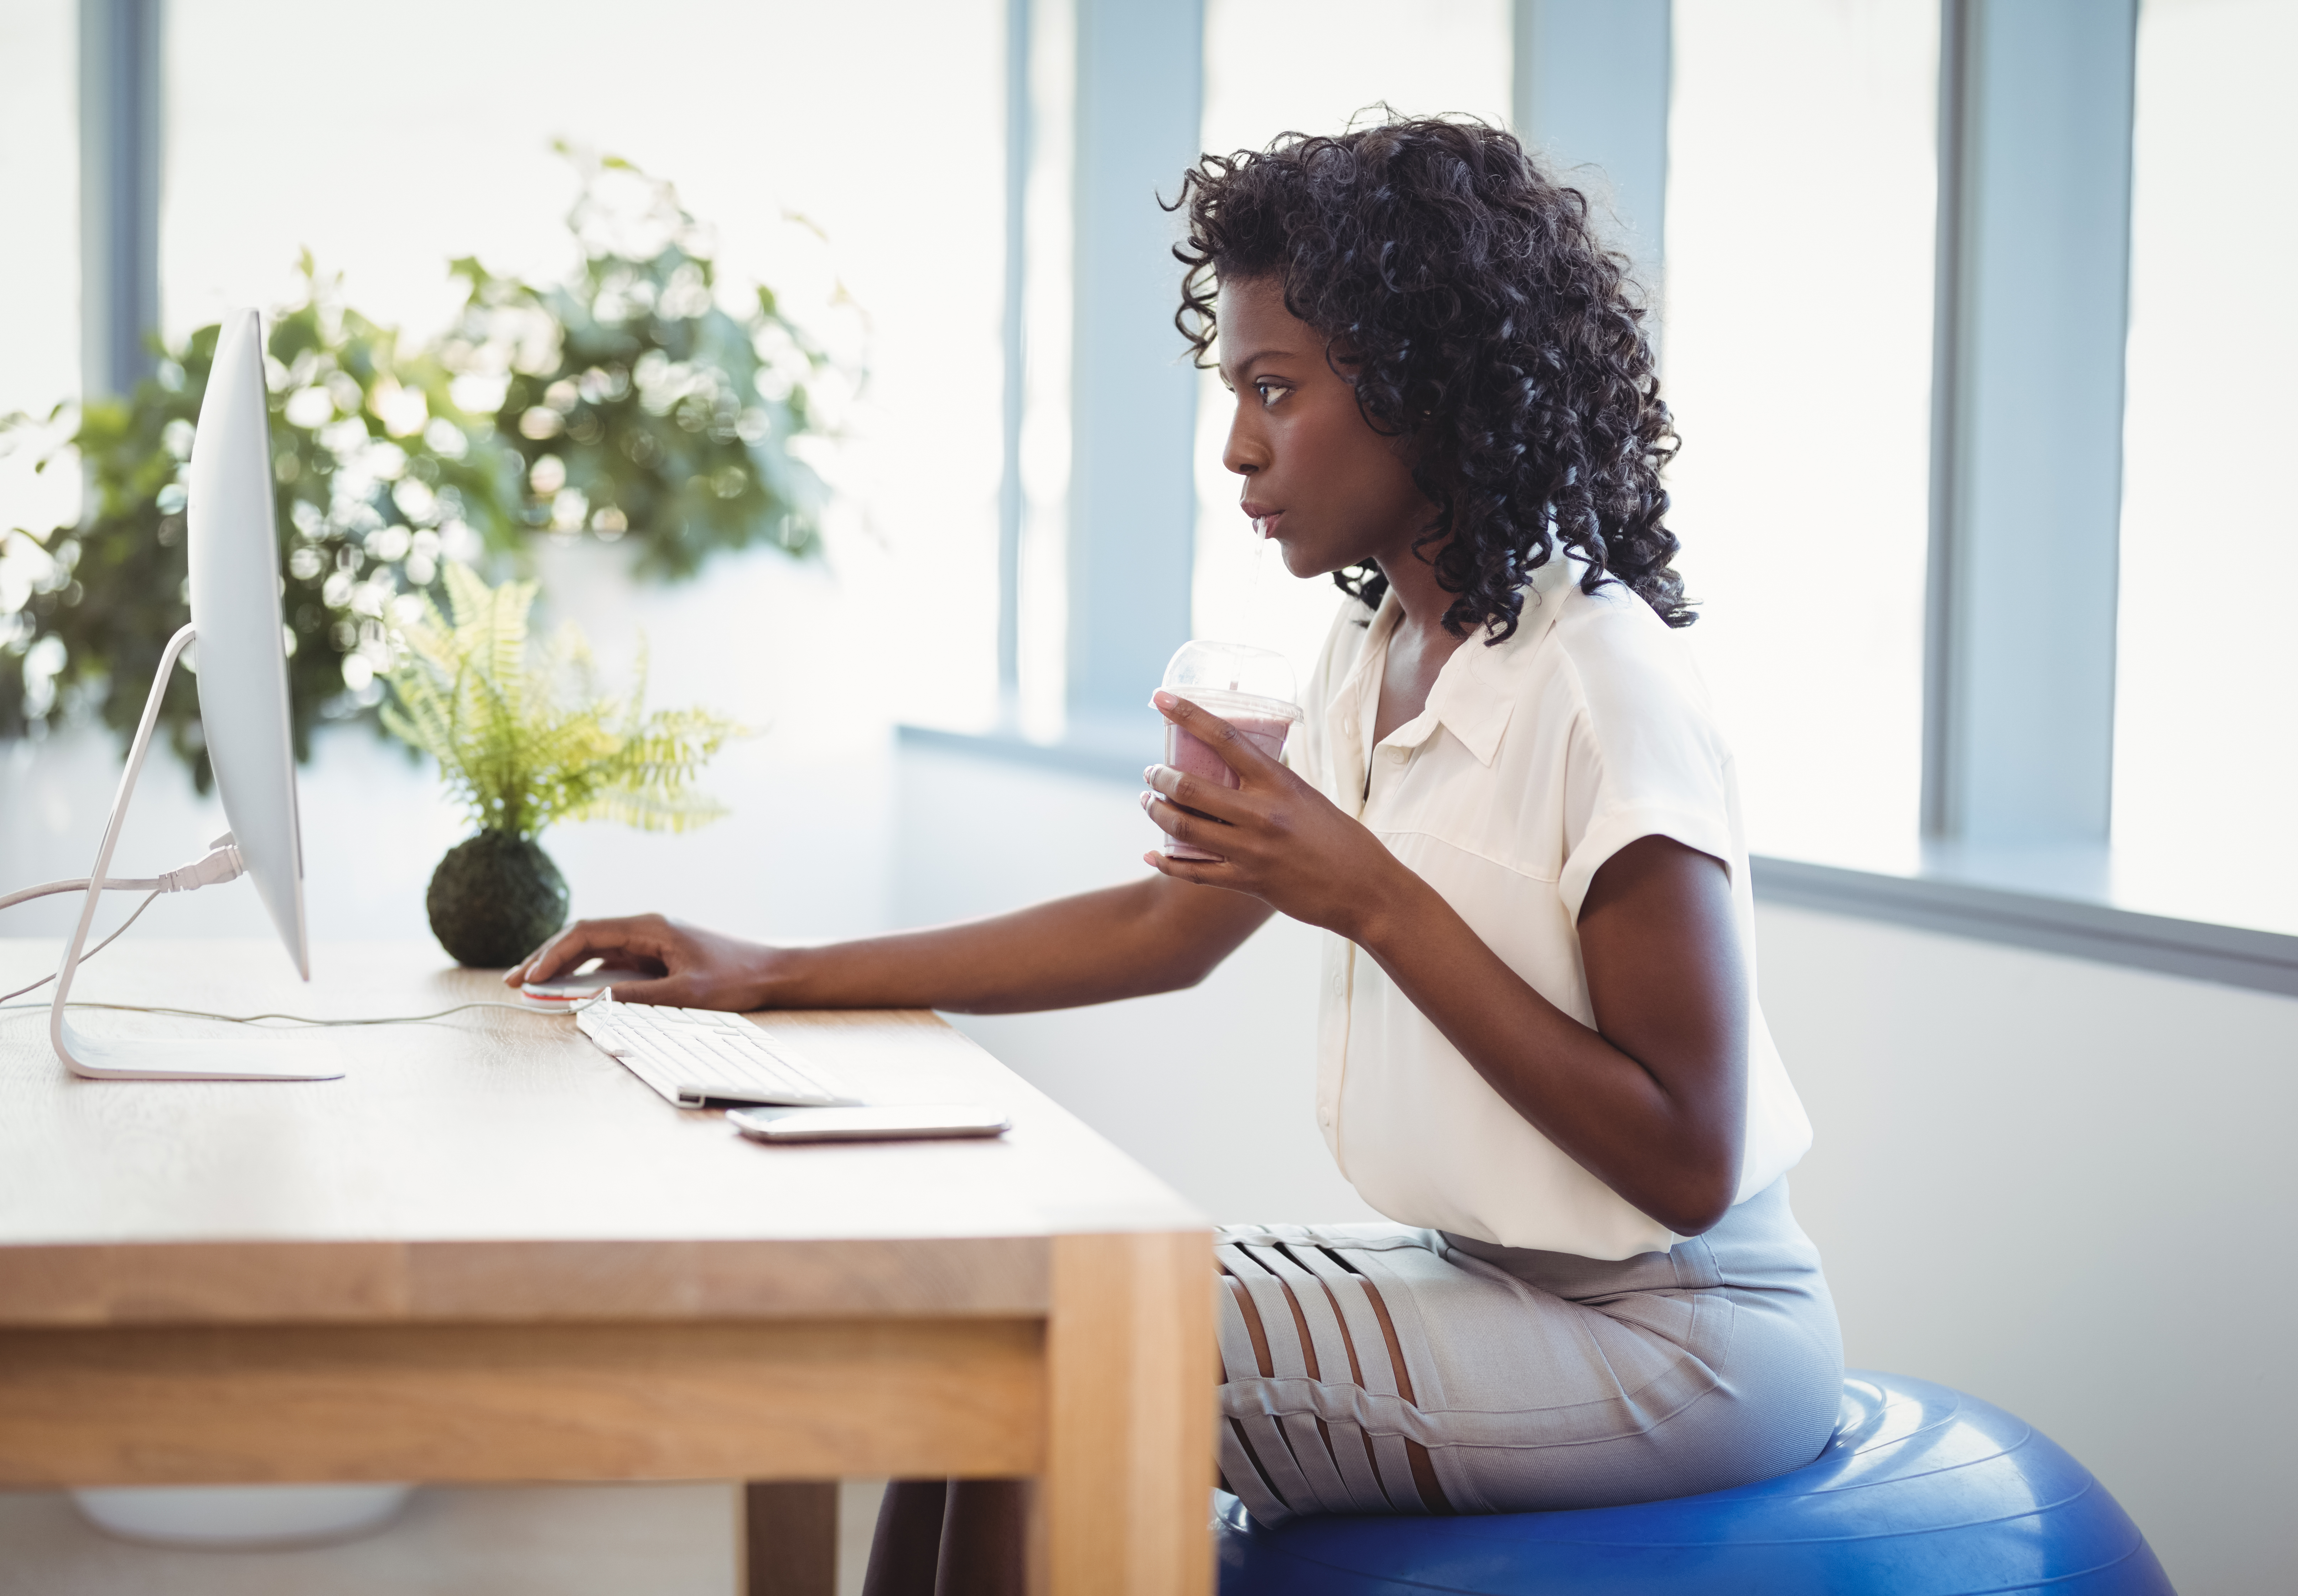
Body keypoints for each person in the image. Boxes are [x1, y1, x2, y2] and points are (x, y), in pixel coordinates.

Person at [507, 116, 1843, 1595]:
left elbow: (1689, 1158)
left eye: (1278, 391)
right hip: (1494, 1276)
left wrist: (1370, 897)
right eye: (1235, 393)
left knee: (1076, 1341)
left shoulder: (1602, 680)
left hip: (1679, 1334)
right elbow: (1167, 931)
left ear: (1426, 388)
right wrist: (774, 971)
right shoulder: (1380, 644)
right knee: (1003, 1293)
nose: (1238, 449)